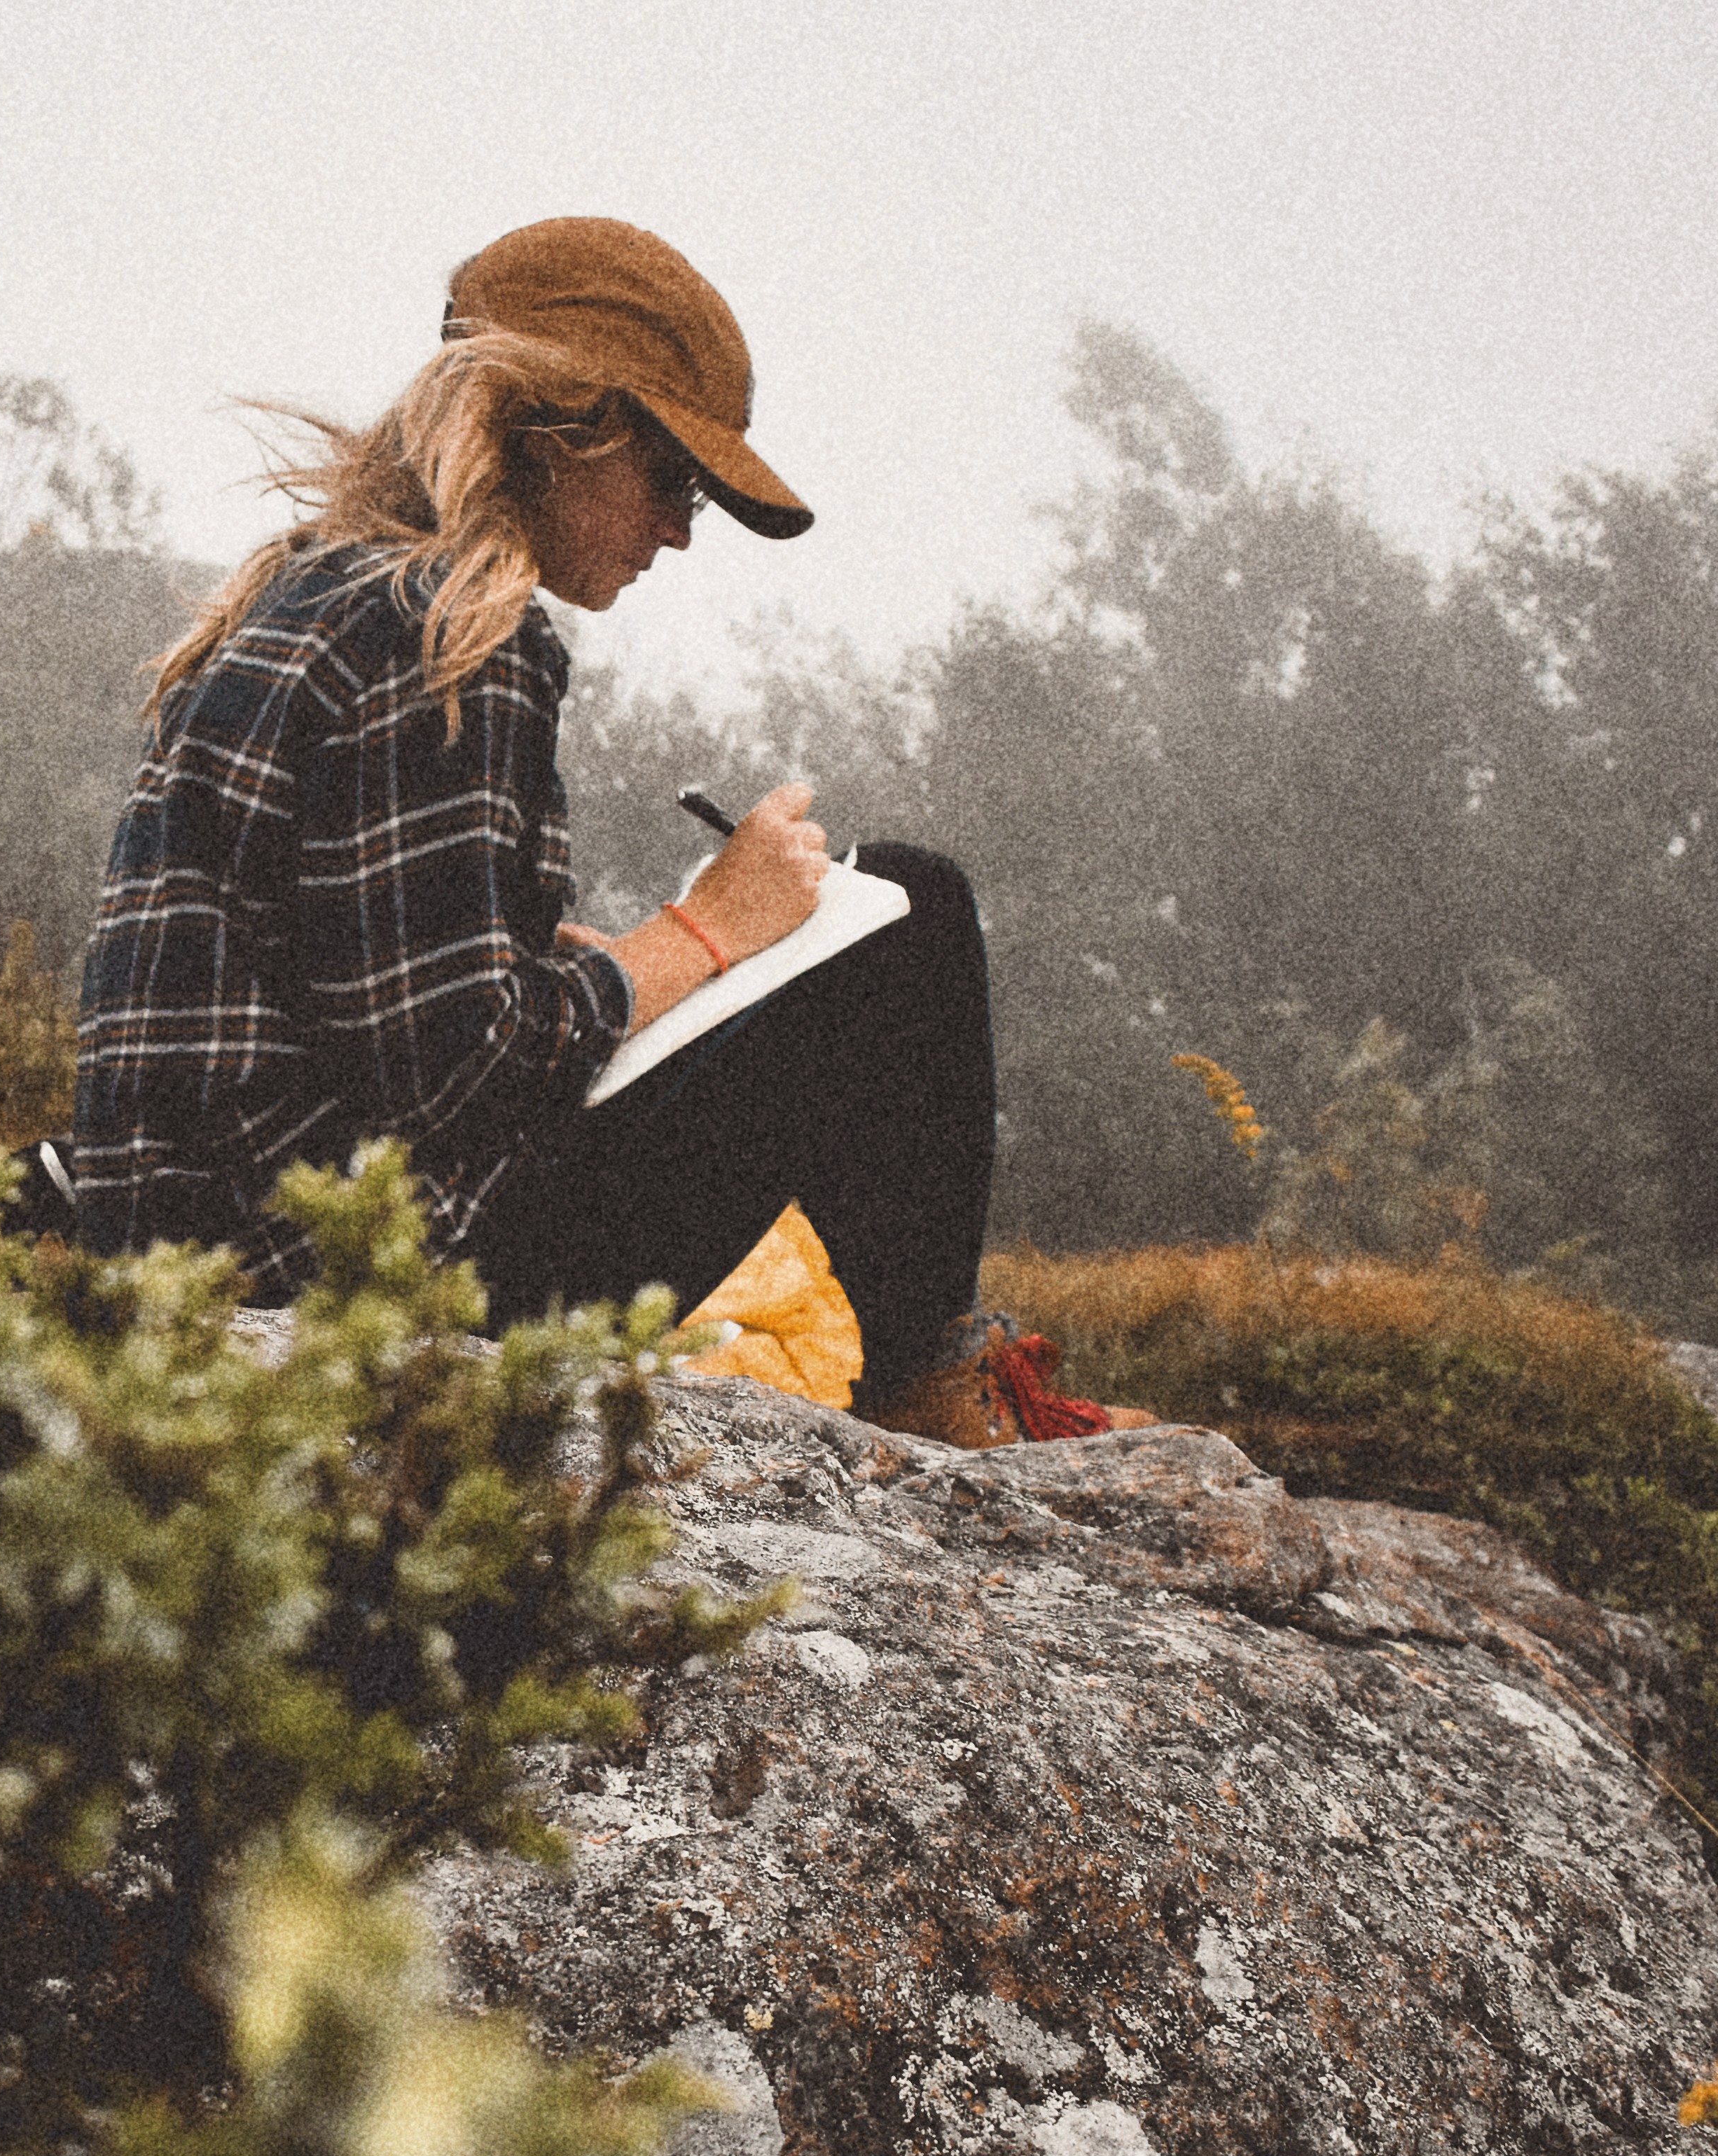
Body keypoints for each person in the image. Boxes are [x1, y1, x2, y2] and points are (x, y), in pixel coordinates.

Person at [68, 216, 1132, 1447]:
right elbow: (461, 1065)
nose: (681, 530)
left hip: (206, 1249)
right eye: (672, 481)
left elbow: (352, 1013)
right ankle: (931, 1391)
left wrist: (584, 965)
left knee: (810, 934)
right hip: (361, 1276)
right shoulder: (458, 631)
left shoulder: (306, 595)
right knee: (908, 909)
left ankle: (931, 1383)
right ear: (560, 428)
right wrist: (706, 931)